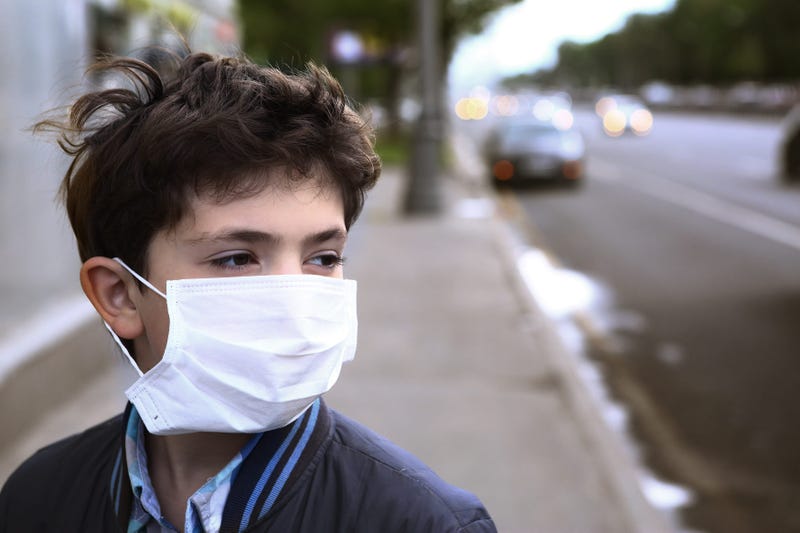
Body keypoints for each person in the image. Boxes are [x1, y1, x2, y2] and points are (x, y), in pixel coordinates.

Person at [0, 50, 496, 532]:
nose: (293, 300)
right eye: (237, 258)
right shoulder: (37, 498)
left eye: (322, 258)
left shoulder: (424, 521)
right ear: (120, 296)